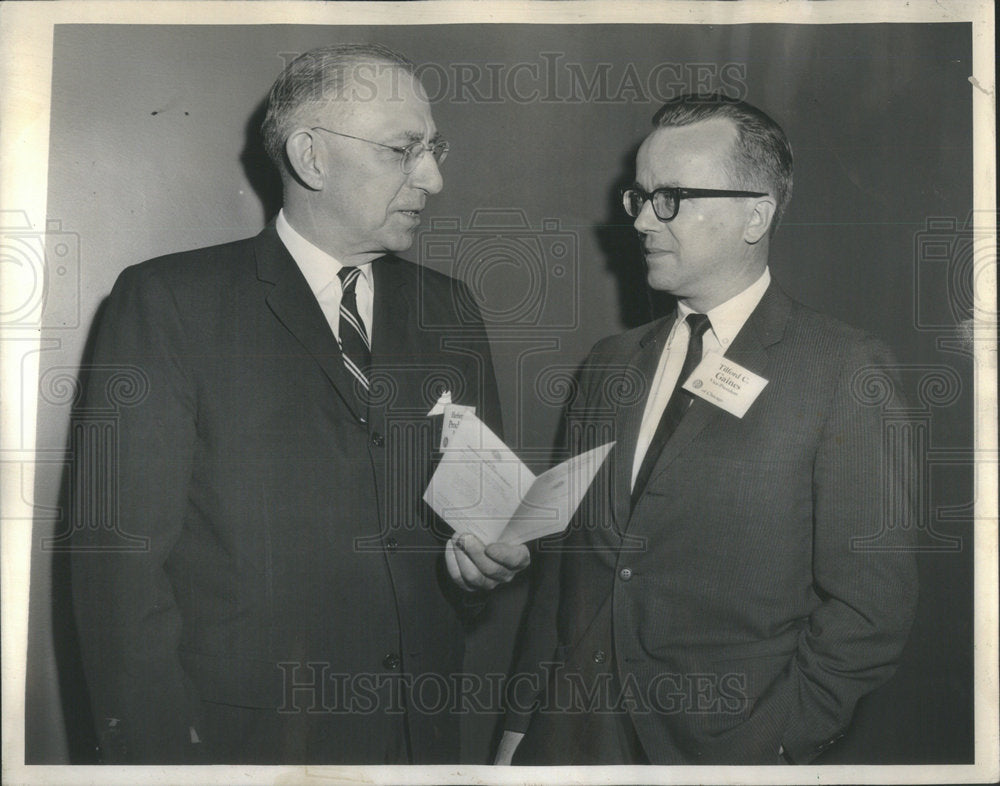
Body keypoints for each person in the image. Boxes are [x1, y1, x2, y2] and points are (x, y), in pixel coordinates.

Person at [71, 43, 528, 765]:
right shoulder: (170, 303)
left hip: (417, 739)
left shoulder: (452, 311)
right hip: (244, 746)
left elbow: (473, 543)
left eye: (433, 148)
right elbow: (118, 570)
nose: (434, 178)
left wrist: (480, 571)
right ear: (311, 157)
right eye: (404, 150)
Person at [497, 94, 918, 766]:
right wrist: (519, 734)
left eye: (671, 198)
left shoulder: (842, 370)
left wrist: (777, 740)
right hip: (572, 747)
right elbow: (563, 577)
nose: (639, 219)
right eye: (638, 196)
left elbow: (871, 608)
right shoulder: (608, 365)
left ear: (757, 214)